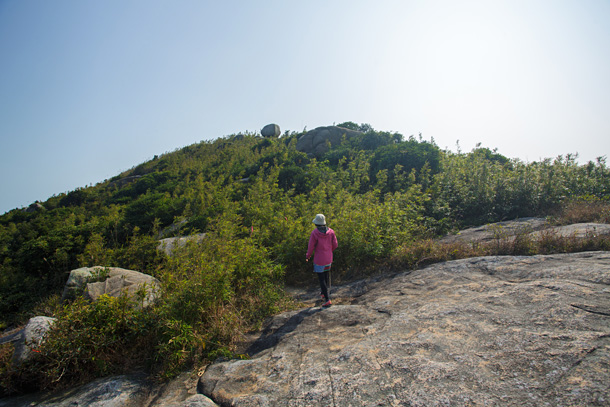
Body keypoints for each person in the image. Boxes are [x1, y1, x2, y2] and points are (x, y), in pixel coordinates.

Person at [306, 214, 338, 307]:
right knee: (326, 275)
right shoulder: (331, 232)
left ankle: (327, 299)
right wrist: (328, 251)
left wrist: (308, 256)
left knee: (321, 279)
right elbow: (335, 245)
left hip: (319, 259)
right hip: (328, 258)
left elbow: (311, 247)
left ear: (316, 223)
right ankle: (324, 293)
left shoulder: (315, 233)